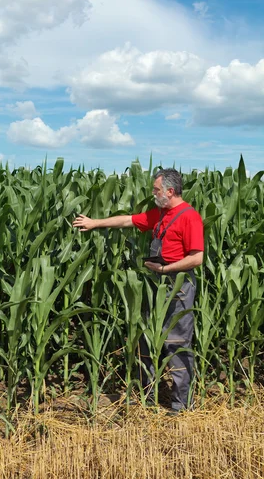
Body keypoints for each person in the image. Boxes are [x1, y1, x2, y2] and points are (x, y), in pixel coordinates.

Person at [72, 168, 204, 412]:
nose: (153, 193)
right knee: (145, 339)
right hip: (155, 283)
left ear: (170, 191)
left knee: (176, 343)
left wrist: (166, 270)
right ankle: (148, 398)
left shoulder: (189, 217)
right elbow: (128, 220)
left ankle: (181, 406)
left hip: (178, 285)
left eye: (157, 190)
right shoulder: (160, 214)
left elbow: (197, 258)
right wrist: (95, 223)